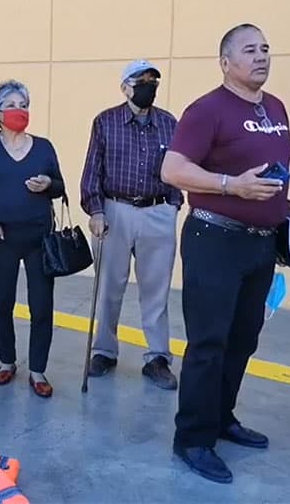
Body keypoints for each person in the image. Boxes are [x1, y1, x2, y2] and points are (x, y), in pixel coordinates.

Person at [160, 23, 290, 483]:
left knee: (243, 340)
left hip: (260, 243)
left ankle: (221, 418)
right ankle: (193, 439)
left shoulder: (276, 108)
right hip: (214, 240)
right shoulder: (207, 110)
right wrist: (230, 186)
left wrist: (280, 203)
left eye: (266, 48)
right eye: (250, 49)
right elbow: (172, 169)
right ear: (226, 62)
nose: (261, 56)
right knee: (209, 343)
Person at [79, 59, 182, 389]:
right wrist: (95, 210)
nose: (148, 85)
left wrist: (173, 207)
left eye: (153, 80)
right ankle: (105, 351)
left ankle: (156, 357)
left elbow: (180, 167)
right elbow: (92, 170)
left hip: (157, 211)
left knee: (156, 291)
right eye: (141, 80)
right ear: (125, 87)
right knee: (109, 287)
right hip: (115, 210)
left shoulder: (169, 123)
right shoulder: (105, 122)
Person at [0, 80, 65, 398]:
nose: (19, 111)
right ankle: (7, 362)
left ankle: (38, 370)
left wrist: (48, 183)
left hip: (39, 236)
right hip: (1, 236)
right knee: (2, 303)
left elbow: (60, 188)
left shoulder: (44, 147)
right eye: (11, 106)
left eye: (24, 105)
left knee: (42, 305)